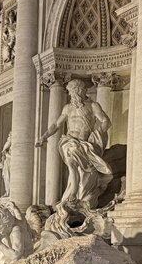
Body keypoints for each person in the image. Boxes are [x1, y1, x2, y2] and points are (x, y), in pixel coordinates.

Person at [35, 79, 113, 209]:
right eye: (70, 93)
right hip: (69, 141)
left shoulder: (93, 105)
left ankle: (76, 193)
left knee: (80, 169)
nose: (71, 95)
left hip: (85, 144)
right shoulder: (67, 108)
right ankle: (73, 191)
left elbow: (106, 122)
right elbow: (56, 125)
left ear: (79, 90)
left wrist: (97, 134)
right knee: (72, 159)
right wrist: (44, 137)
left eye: (73, 92)